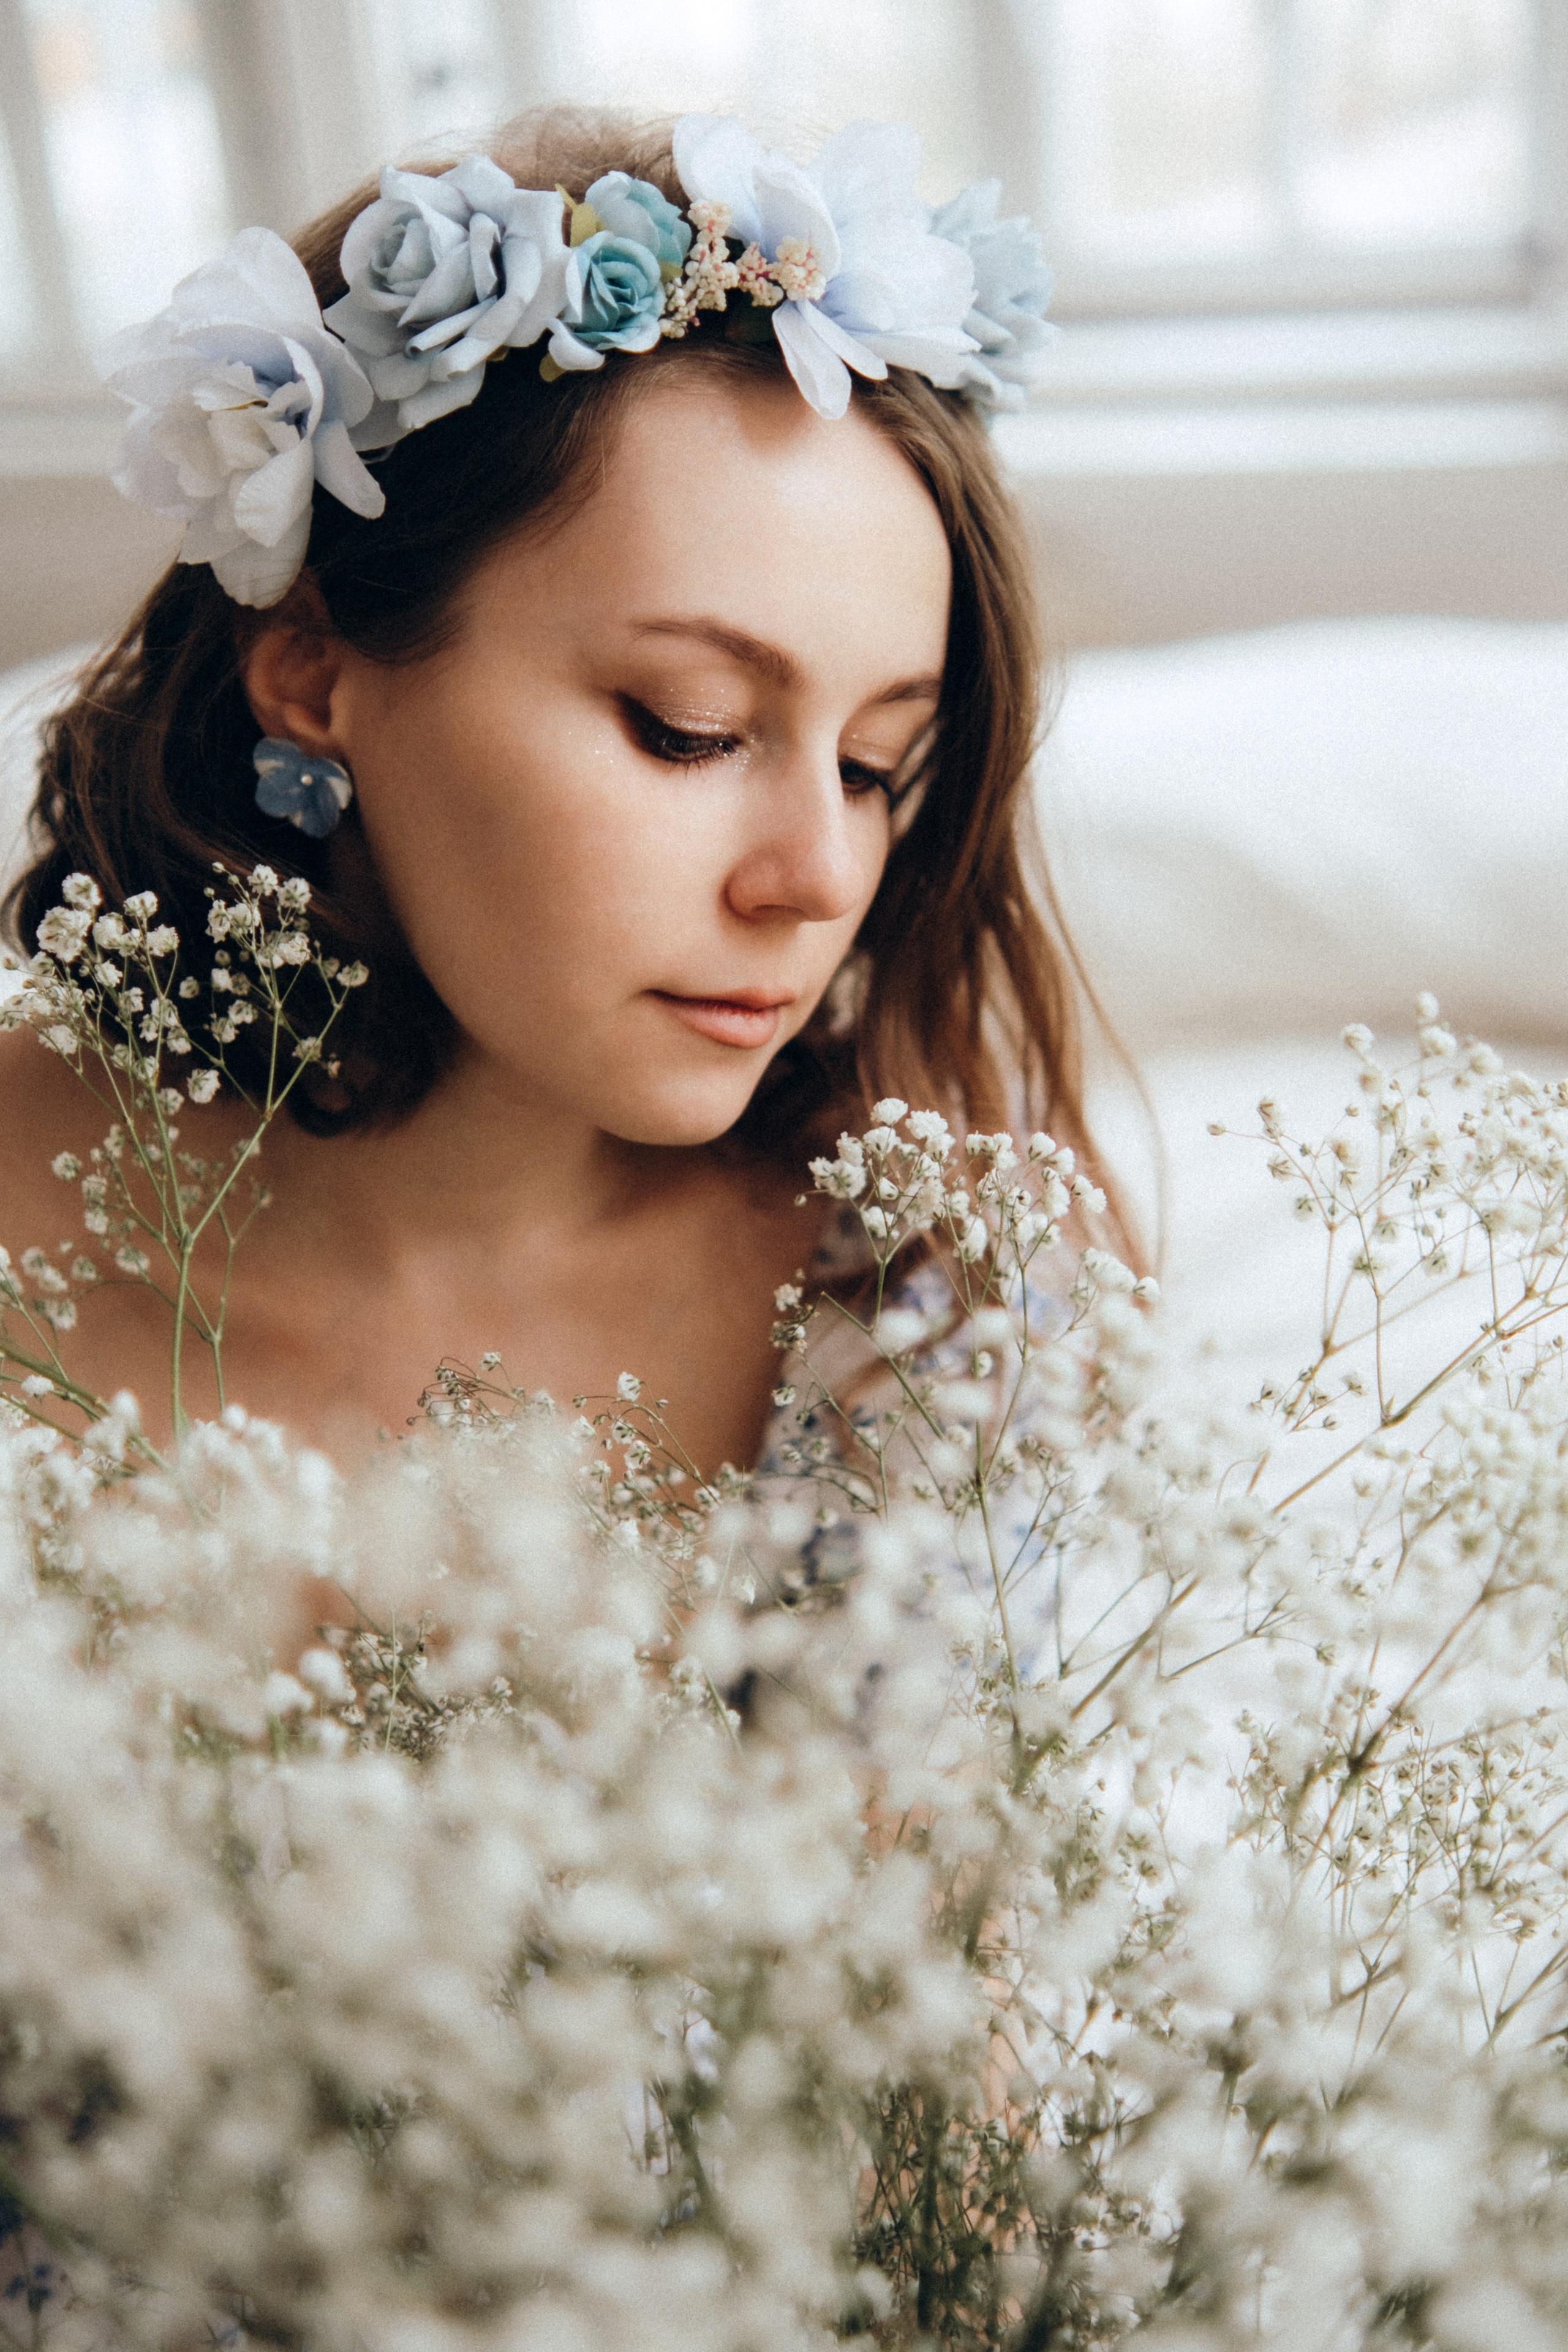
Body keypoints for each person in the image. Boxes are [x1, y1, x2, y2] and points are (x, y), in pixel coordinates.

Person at [0, 107, 1116, 1470]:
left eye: (872, 765)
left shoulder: (921, 1299)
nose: (820, 875)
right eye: (687, 729)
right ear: (307, 668)